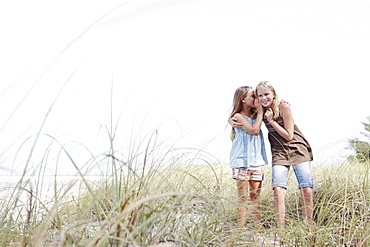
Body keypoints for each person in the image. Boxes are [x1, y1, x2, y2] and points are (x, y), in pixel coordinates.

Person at [231, 81, 314, 230]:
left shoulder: (282, 107)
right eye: (259, 95)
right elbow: (244, 118)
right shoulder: (259, 111)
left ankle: (308, 228)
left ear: (274, 94)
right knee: (278, 189)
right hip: (278, 152)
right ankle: (279, 232)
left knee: (306, 188)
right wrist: (231, 120)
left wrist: (271, 121)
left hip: (297, 148)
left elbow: (289, 136)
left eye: (266, 94)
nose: (262, 98)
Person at [229, 86, 268, 230]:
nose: (256, 99)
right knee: (243, 198)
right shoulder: (238, 116)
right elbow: (254, 130)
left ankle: (258, 230)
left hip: (257, 161)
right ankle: (239, 229)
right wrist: (260, 113)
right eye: (253, 96)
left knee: (255, 198)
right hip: (242, 161)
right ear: (243, 99)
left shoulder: (256, 114)